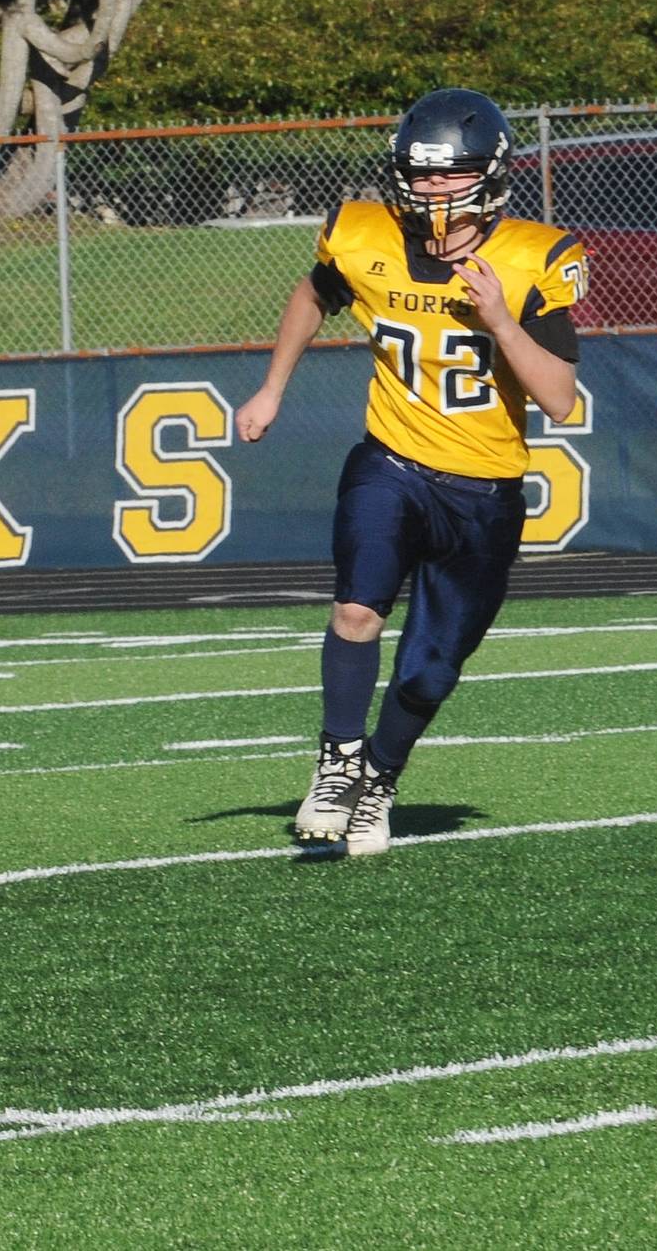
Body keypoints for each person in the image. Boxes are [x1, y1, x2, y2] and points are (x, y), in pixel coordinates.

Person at [236, 87, 586, 856]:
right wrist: (271, 386)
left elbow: (559, 398)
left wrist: (498, 319)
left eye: (448, 175)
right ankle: (336, 760)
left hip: (483, 488)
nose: (430, 189)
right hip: (389, 462)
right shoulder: (364, 234)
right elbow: (314, 292)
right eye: (419, 174)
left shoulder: (534, 256)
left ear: (488, 175)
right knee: (357, 611)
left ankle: (379, 781)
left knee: (429, 672)